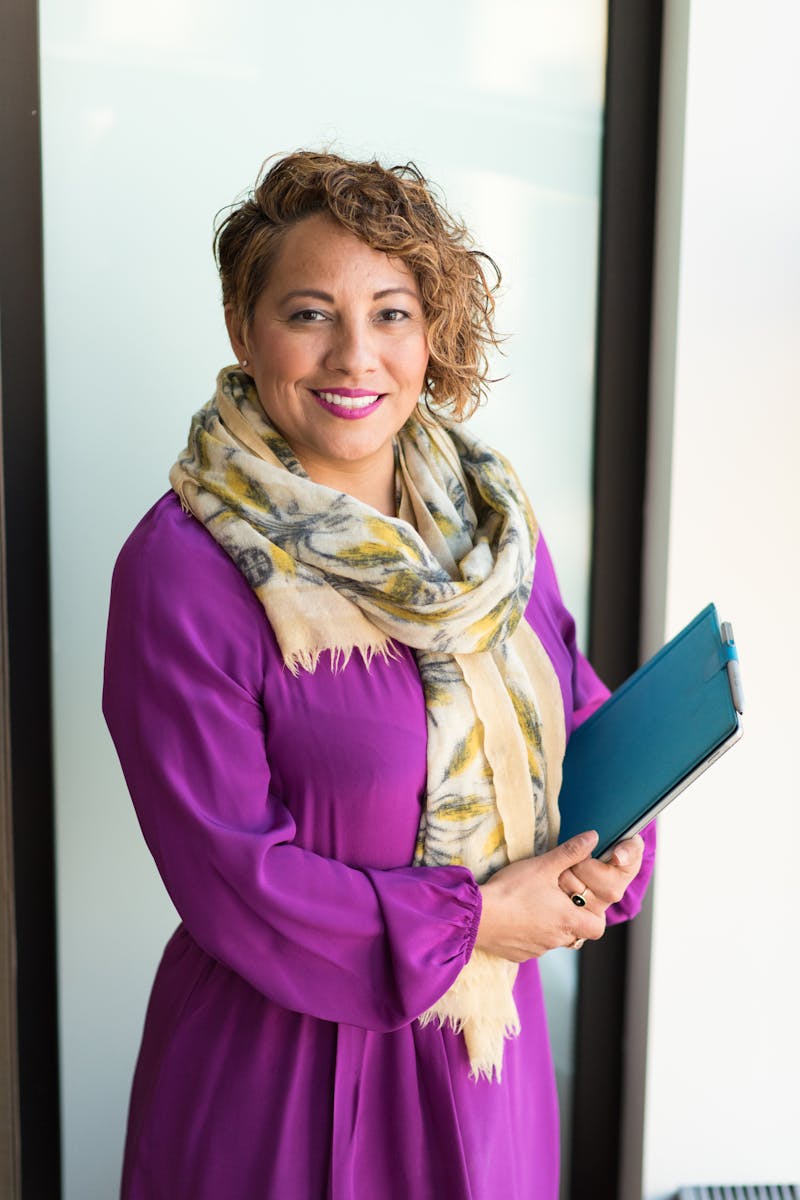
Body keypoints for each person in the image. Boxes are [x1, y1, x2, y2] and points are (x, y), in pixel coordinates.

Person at [103, 150, 655, 1200]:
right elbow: (232, 877)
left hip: (487, 1059)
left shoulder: (489, 525)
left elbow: (571, 721)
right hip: (290, 1075)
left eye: (391, 313)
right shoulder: (183, 569)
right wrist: (475, 921)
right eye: (309, 313)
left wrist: (613, 843)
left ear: (430, 331)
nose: (355, 355)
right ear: (242, 326)